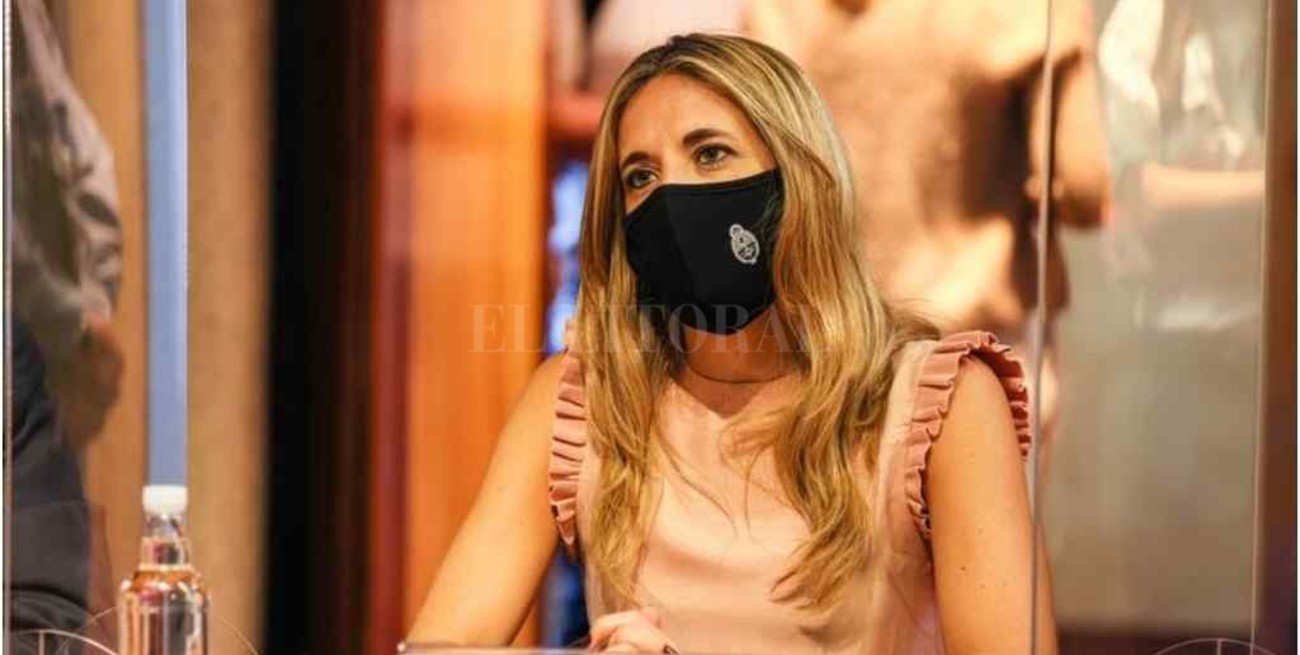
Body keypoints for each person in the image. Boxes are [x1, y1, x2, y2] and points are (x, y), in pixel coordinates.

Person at [409, 34, 1053, 654]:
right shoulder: (582, 400)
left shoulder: (942, 406)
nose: (670, 196)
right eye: (640, 175)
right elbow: (437, 648)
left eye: (711, 154)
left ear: (799, 177)